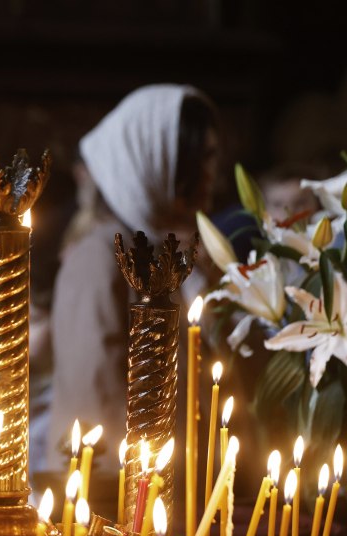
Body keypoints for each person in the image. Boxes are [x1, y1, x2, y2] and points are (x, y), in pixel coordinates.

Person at [48, 84, 220, 473]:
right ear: (155, 161)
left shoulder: (175, 249)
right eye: (200, 158)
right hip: (127, 495)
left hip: (183, 485)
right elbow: (92, 400)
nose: (213, 173)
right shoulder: (99, 257)